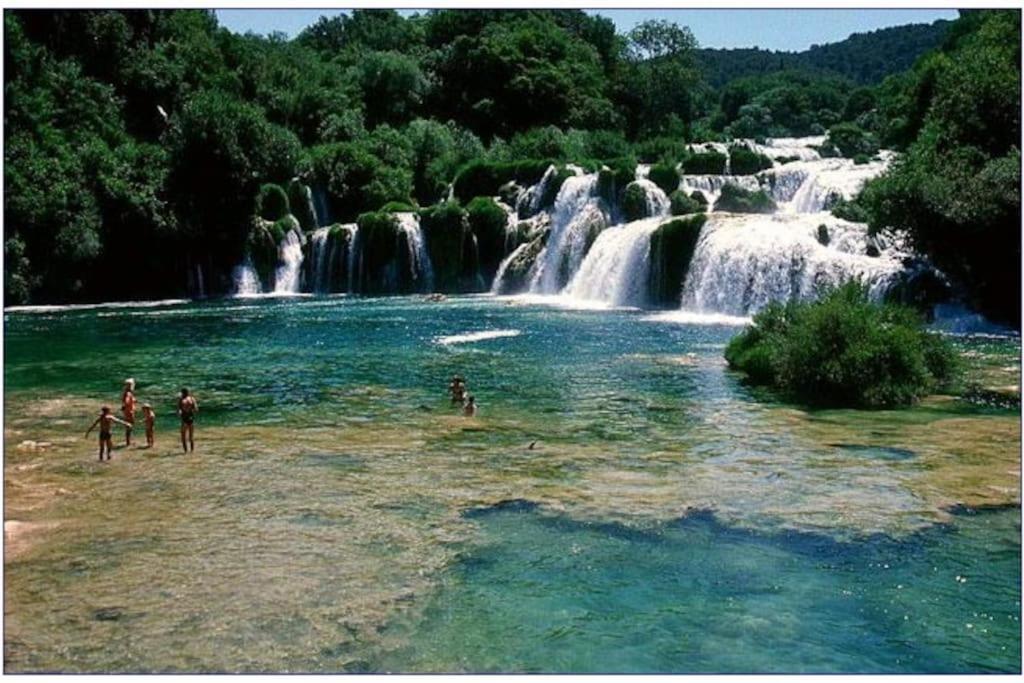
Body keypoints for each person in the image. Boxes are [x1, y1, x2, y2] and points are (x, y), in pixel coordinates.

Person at [178, 388, 198, 453]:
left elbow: (179, 410)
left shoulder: (181, 400)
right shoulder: (192, 399)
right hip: (191, 418)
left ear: (182, 393)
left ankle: (185, 451)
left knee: (183, 437)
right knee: (191, 437)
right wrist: (190, 410)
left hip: (184, 419)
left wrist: (181, 412)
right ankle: (192, 451)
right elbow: (196, 409)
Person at [121, 378, 137, 447]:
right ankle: (128, 442)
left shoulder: (126, 393)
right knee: (129, 426)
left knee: (129, 426)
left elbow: (125, 402)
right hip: (129, 412)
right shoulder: (128, 393)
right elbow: (126, 401)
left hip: (128, 411)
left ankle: (129, 441)